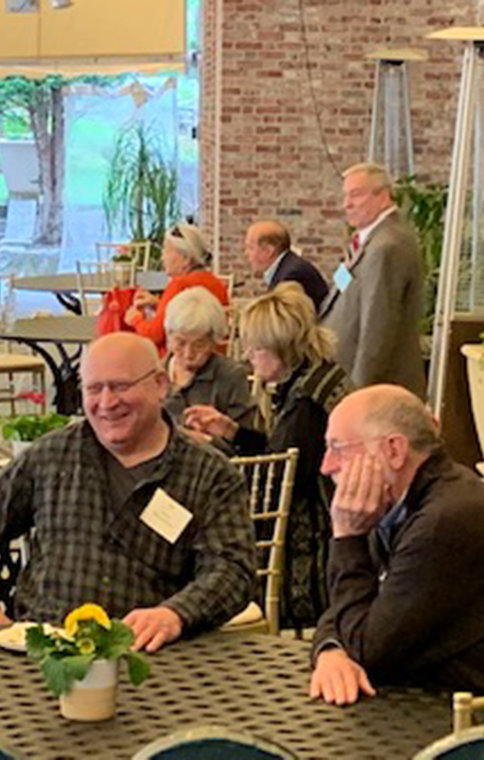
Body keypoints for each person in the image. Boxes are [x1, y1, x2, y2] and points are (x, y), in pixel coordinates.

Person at [0, 332, 255, 651]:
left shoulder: (209, 473)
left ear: (160, 384)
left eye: (121, 386)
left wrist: (175, 614)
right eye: (94, 389)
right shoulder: (52, 455)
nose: (106, 403)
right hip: (43, 655)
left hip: (152, 657)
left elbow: (232, 569)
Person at [308, 385, 484, 705]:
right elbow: (348, 610)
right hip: (438, 701)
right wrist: (331, 651)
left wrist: (347, 537)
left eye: (338, 448)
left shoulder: (445, 522)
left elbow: (369, 650)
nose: (326, 466)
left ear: (394, 450)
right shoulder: (403, 500)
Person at [184, 283, 353, 630]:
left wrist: (209, 451)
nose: (247, 355)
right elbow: (283, 453)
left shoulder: (305, 404)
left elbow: (275, 483)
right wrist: (232, 432)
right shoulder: (319, 376)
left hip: (312, 542)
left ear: (281, 348)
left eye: (255, 348)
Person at [321, 163, 425, 397]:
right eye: (345, 196)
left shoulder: (386, 247)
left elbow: (377, 328)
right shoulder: (369, 240)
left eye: (356, 195)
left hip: (374, 391)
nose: (346, 204)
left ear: (384, 196)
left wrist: (358, 392)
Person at [161, 287, 253, 448]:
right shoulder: (155, 374)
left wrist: (208, 441)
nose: (188, 354)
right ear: (169, 335)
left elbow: (248, 445)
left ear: (214, 341)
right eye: (180, 343)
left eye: (199, 345)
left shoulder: (230, 375)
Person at [125, 222, 230, 356]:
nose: (162, 257)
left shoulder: (180, 285)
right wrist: (159, 304)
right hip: (214, 356)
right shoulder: (215, 283)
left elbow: (155, 335)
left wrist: (136, 319)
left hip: (183, 359)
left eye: (167, 251)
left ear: (185, 258)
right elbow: (194, 317)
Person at [243, 219, 328, 309]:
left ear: (269, 251)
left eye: (250, 248)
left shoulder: (291, 275)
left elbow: (282, 320)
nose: (246, 253)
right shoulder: (288, 266)